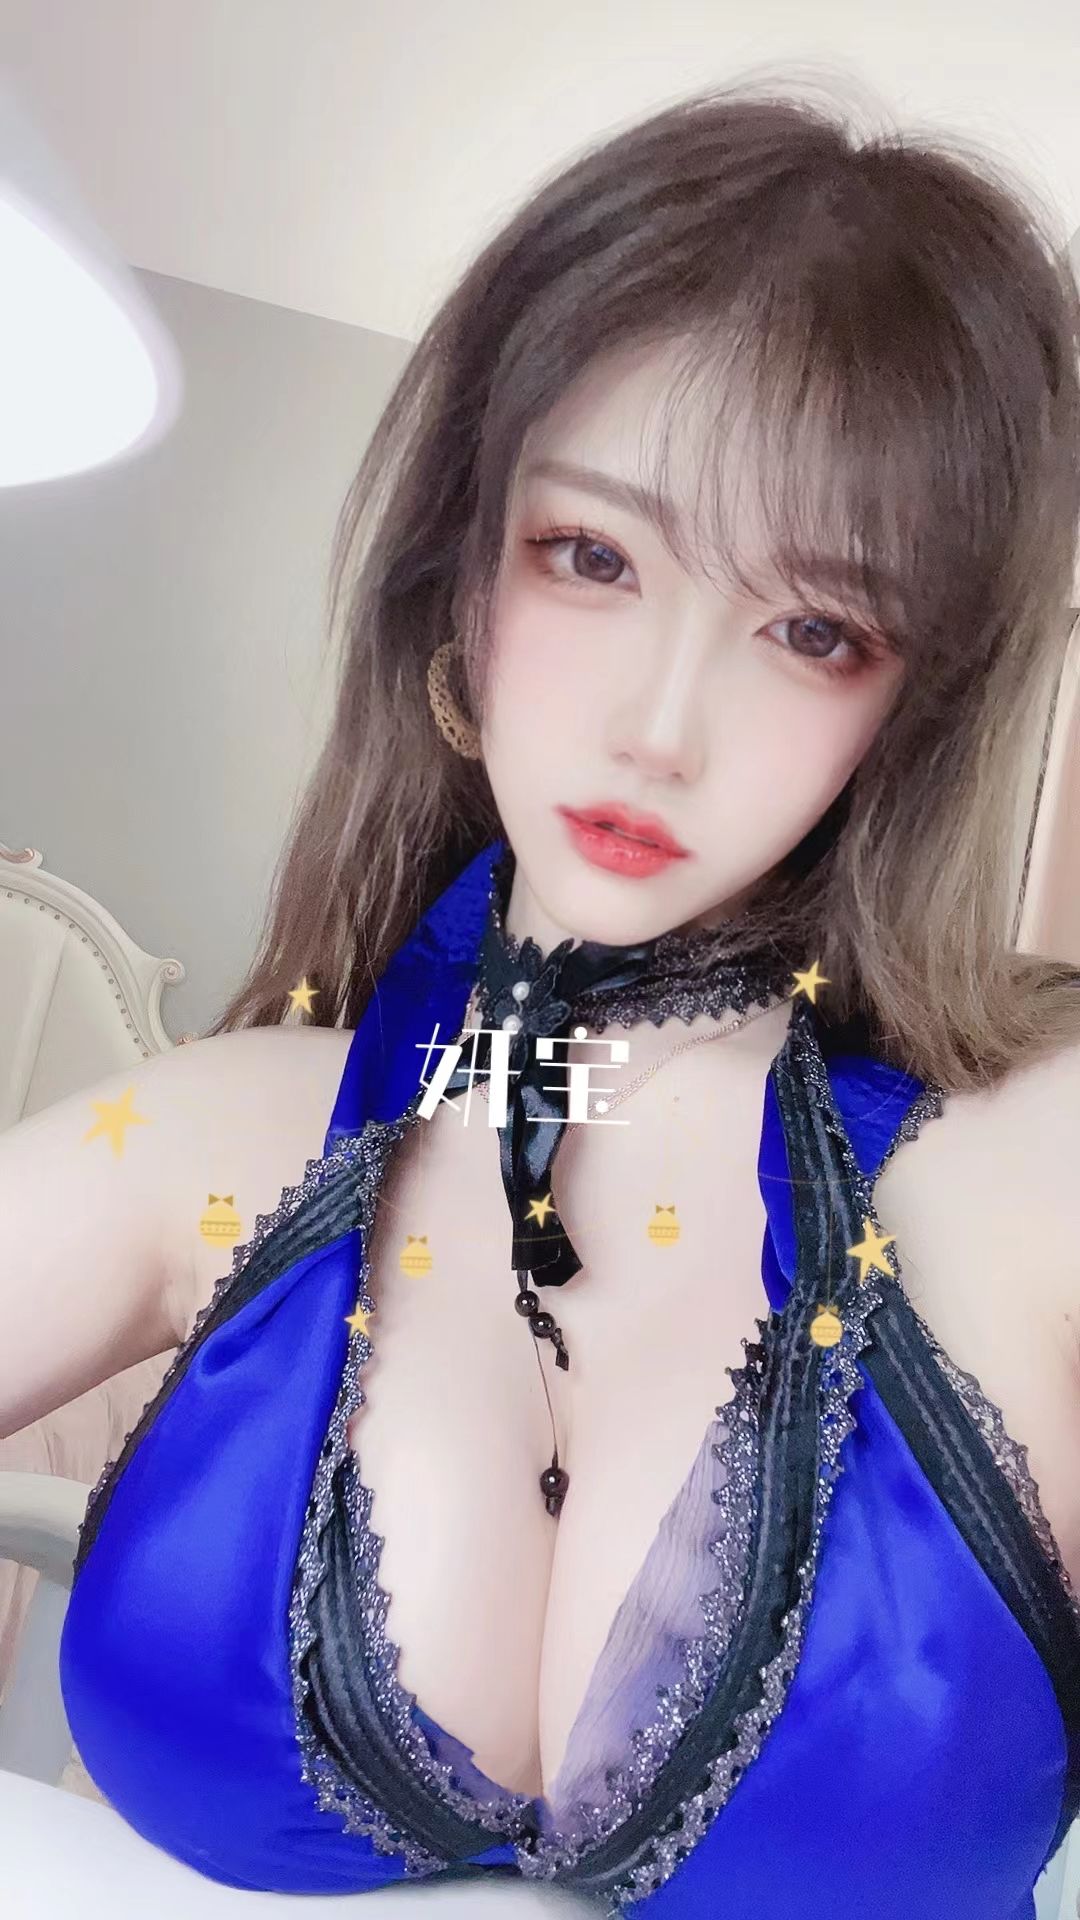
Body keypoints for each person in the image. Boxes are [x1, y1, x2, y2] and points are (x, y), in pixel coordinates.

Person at [3, 74, 1080, 1920]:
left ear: (918, 699)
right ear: (461, 572)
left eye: (813, 628)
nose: (662, 728)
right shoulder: (218, 1132)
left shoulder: (1039, 1161)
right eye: (593, 556)